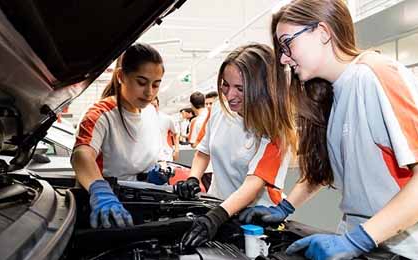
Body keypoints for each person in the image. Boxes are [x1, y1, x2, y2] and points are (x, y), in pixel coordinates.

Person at [241, 1, 418, 259]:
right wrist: (284, 208)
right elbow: (322, 171)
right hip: (371, 242)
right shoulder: (333, 94)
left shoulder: (375, 74)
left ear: (323, 33)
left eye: (287, 44)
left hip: (414, 248)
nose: (283, 58)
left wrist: (359, 239)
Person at [176, 43, 297, 247]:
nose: (229, 95)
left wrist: (215, 218)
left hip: (256, 221)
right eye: (225, 85)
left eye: (240, 88)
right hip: (217, 208)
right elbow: (203, 152)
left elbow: (254, 183)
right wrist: (194, 178)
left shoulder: (276, 129)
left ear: (263, 88)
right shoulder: (218, 110)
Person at [71, 43, 164, 229]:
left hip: (143, 203)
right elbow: (81, 155)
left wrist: (156, 172)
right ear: (121, 76)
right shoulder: (101, 114)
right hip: (107, 210)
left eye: (156, 84)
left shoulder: (151, 112)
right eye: (142, 82)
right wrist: (100, 191)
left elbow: (151, 155)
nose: (149, 92)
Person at [151, 96, 180, 161]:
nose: (153, 109)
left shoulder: (167, 119)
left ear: (158, 106)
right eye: (150, 107)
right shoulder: (142, 120)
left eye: (155, 106)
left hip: (165, 155)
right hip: (149, 157)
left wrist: (176, 150)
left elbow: (176, 134)